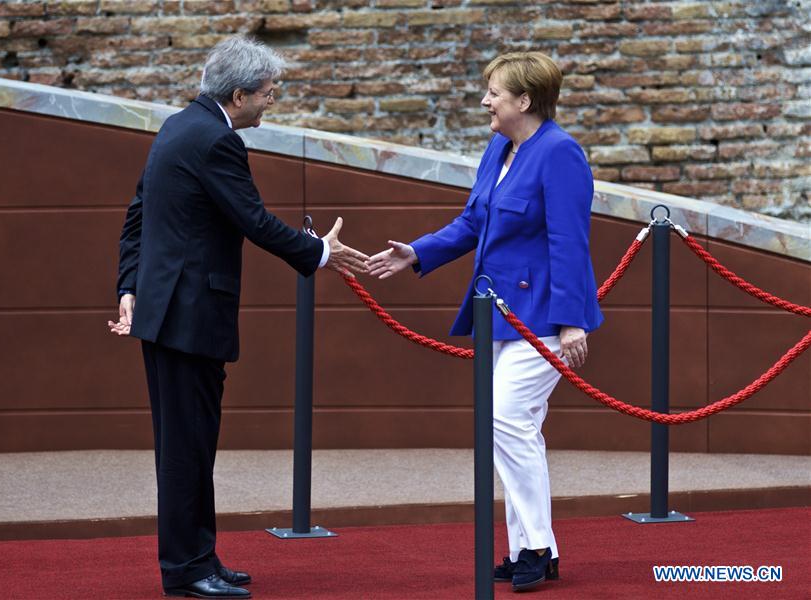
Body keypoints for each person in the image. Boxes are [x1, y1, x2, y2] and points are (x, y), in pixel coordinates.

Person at [108, 36, 368, 599]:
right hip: (188, 318)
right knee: (186, 449)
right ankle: (186, 570)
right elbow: (252, 219)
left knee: (193, 446)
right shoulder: (217, 142)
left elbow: (137, 216)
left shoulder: (179, 126)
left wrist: (129, 286)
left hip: (171, 315)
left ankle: (199, 558)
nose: (271, 103)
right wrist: (320, 252)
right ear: (240, 92)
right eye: (268, 94)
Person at [367, 51, 603, 592]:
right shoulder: (501, 147)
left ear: (524, 100)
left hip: (543, 317)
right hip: (497, 310)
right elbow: (474, 219)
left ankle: (537, 547)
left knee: (506, 422)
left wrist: (571, 322)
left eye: (493, 92)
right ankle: (531, 548)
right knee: (514, 428)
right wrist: (417, 253)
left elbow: (570, 241)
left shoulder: (560, 154)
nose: (484, 101)